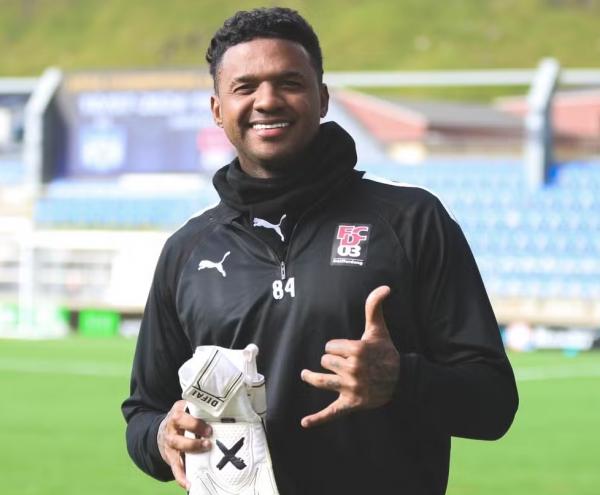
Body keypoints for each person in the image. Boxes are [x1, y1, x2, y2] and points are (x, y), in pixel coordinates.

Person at [122, 7, 518, 494]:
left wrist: (402, 380)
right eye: (245, 87)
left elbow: (494, 403)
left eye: (289, 82)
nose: (267, 101)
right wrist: (163, 435)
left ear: (323, 98)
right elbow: (143, 413)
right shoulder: (187, 251)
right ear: (218, 110)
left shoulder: (412, 222)